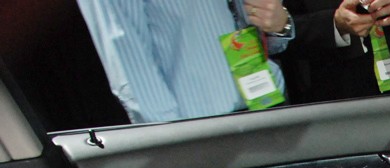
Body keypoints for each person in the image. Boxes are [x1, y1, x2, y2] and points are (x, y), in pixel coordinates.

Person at [75, 0, 296, 124]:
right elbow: (130, 66)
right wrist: (177, 144)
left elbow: (259, 29)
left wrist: (279, 25)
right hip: (204, 134)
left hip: (271, 105)